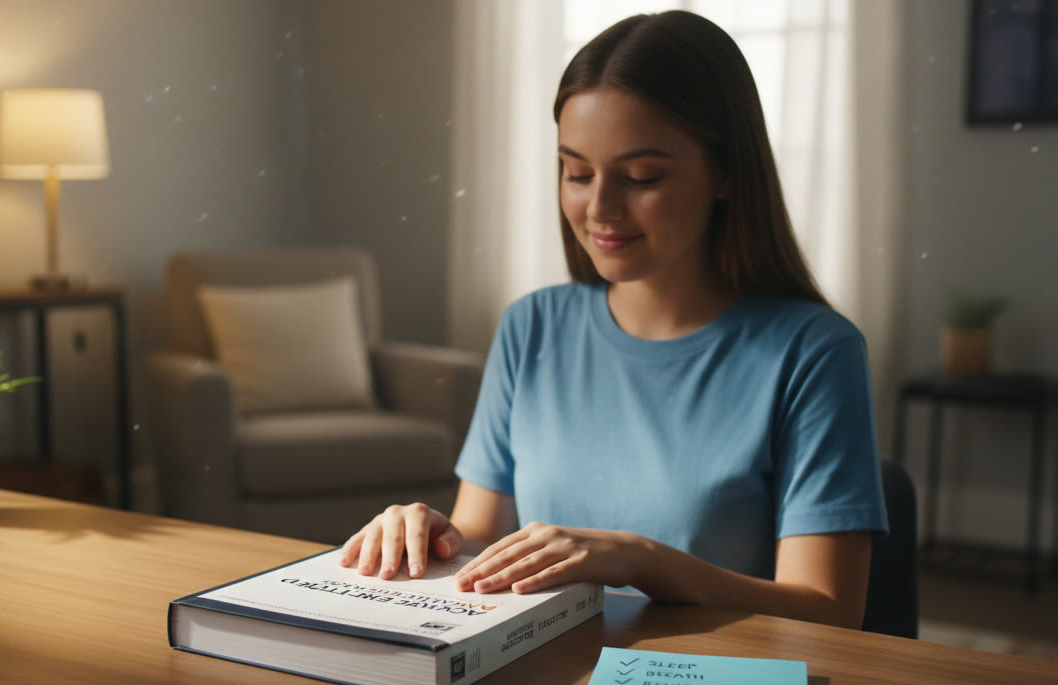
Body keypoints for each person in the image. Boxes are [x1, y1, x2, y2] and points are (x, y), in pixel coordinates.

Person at [339, 10, 888, 629]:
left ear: (727, 171)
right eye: (576, 172)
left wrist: (644, 561)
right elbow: (478, 537)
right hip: (540, 682)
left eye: (641, 177)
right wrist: (428, 535)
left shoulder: (814, 352)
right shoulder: (531, 327)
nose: (599, 208)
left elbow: (832, 611)